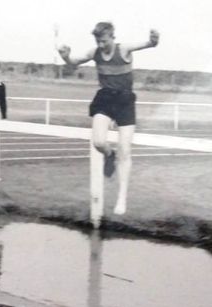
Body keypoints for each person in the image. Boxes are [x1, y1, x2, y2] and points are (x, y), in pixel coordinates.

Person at [58, 22, 159, 215]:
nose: (101, 44)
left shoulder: (124, 49)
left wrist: (154, 40)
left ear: (112, 37)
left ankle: (122, 198)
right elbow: (72, 62)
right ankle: (108, 155)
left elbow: (149, 44)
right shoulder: (94, 52)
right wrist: (65, 55)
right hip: (104, 98)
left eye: (103, 41)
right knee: (98, 141)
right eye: (98, 41)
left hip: (125, 101)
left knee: (125, 150)